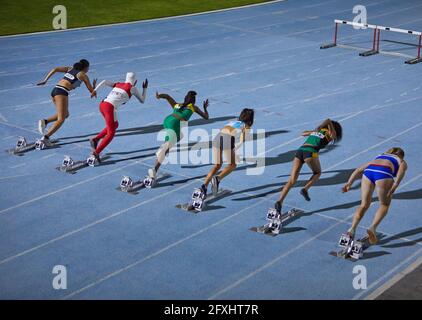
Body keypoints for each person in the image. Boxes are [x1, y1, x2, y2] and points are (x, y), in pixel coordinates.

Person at [274, 119, 343, 214]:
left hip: (300, 151)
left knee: (292, 180)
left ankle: (279, 201)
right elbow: (328, 120)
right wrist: (324, 126)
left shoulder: (317, 132)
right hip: (311, 152)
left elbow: (303, 133)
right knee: (317, 173)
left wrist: (315, 131)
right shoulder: (331, 133)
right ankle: (305, 189)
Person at [342, 147, 407, 244]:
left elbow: (359, 169)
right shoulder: (401, 161)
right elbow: (401, 172)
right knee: (384, 204)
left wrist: (349, 182)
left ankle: (351, 229)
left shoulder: (380, 156)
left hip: (368, 173)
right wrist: (395, 185)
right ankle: (372, 228)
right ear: (401, 155)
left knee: (363, 204)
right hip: (383, 174)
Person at [147, 90, 209, 180]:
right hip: (174, 124)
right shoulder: (193, 107)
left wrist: (159, 96)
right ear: (194, 101)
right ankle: (154, 170)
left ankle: (162, 149)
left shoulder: (177, 105)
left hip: (167, 120)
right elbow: (206, 117)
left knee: (180, 136)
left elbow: (167, 96)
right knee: (167, 148)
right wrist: (205, 108)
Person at [88, 72, 148, 163]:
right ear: (135, 81)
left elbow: (104, 81)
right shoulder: (133, 88)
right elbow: (142, 100)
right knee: (111, 133)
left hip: (102, 104)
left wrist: (95, 90)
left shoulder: (119, 84)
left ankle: (95, 140)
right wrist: (145, 88)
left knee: (115, 124)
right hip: (109, 108)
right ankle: (95, 153)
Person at [36, 59, 97, 146]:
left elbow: (55, 69)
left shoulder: (70, 69)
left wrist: (45, 80)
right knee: (61, 119)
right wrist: (95, 87)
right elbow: (92, 91)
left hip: (54, 91)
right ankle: (45, 138)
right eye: (88, 68)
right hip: (62, 92)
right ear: (85, 67)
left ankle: (45, 121)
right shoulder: (83, 75)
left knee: (65, 114)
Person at [200, 108, 254, 197]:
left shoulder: (233, 122)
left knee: (217, 165)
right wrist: (234, 150)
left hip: (217, 137)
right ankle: (217, 179)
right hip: (228, 139)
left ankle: (203, 186)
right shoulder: (246, 126)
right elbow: (242, 140)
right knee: (232, 165)